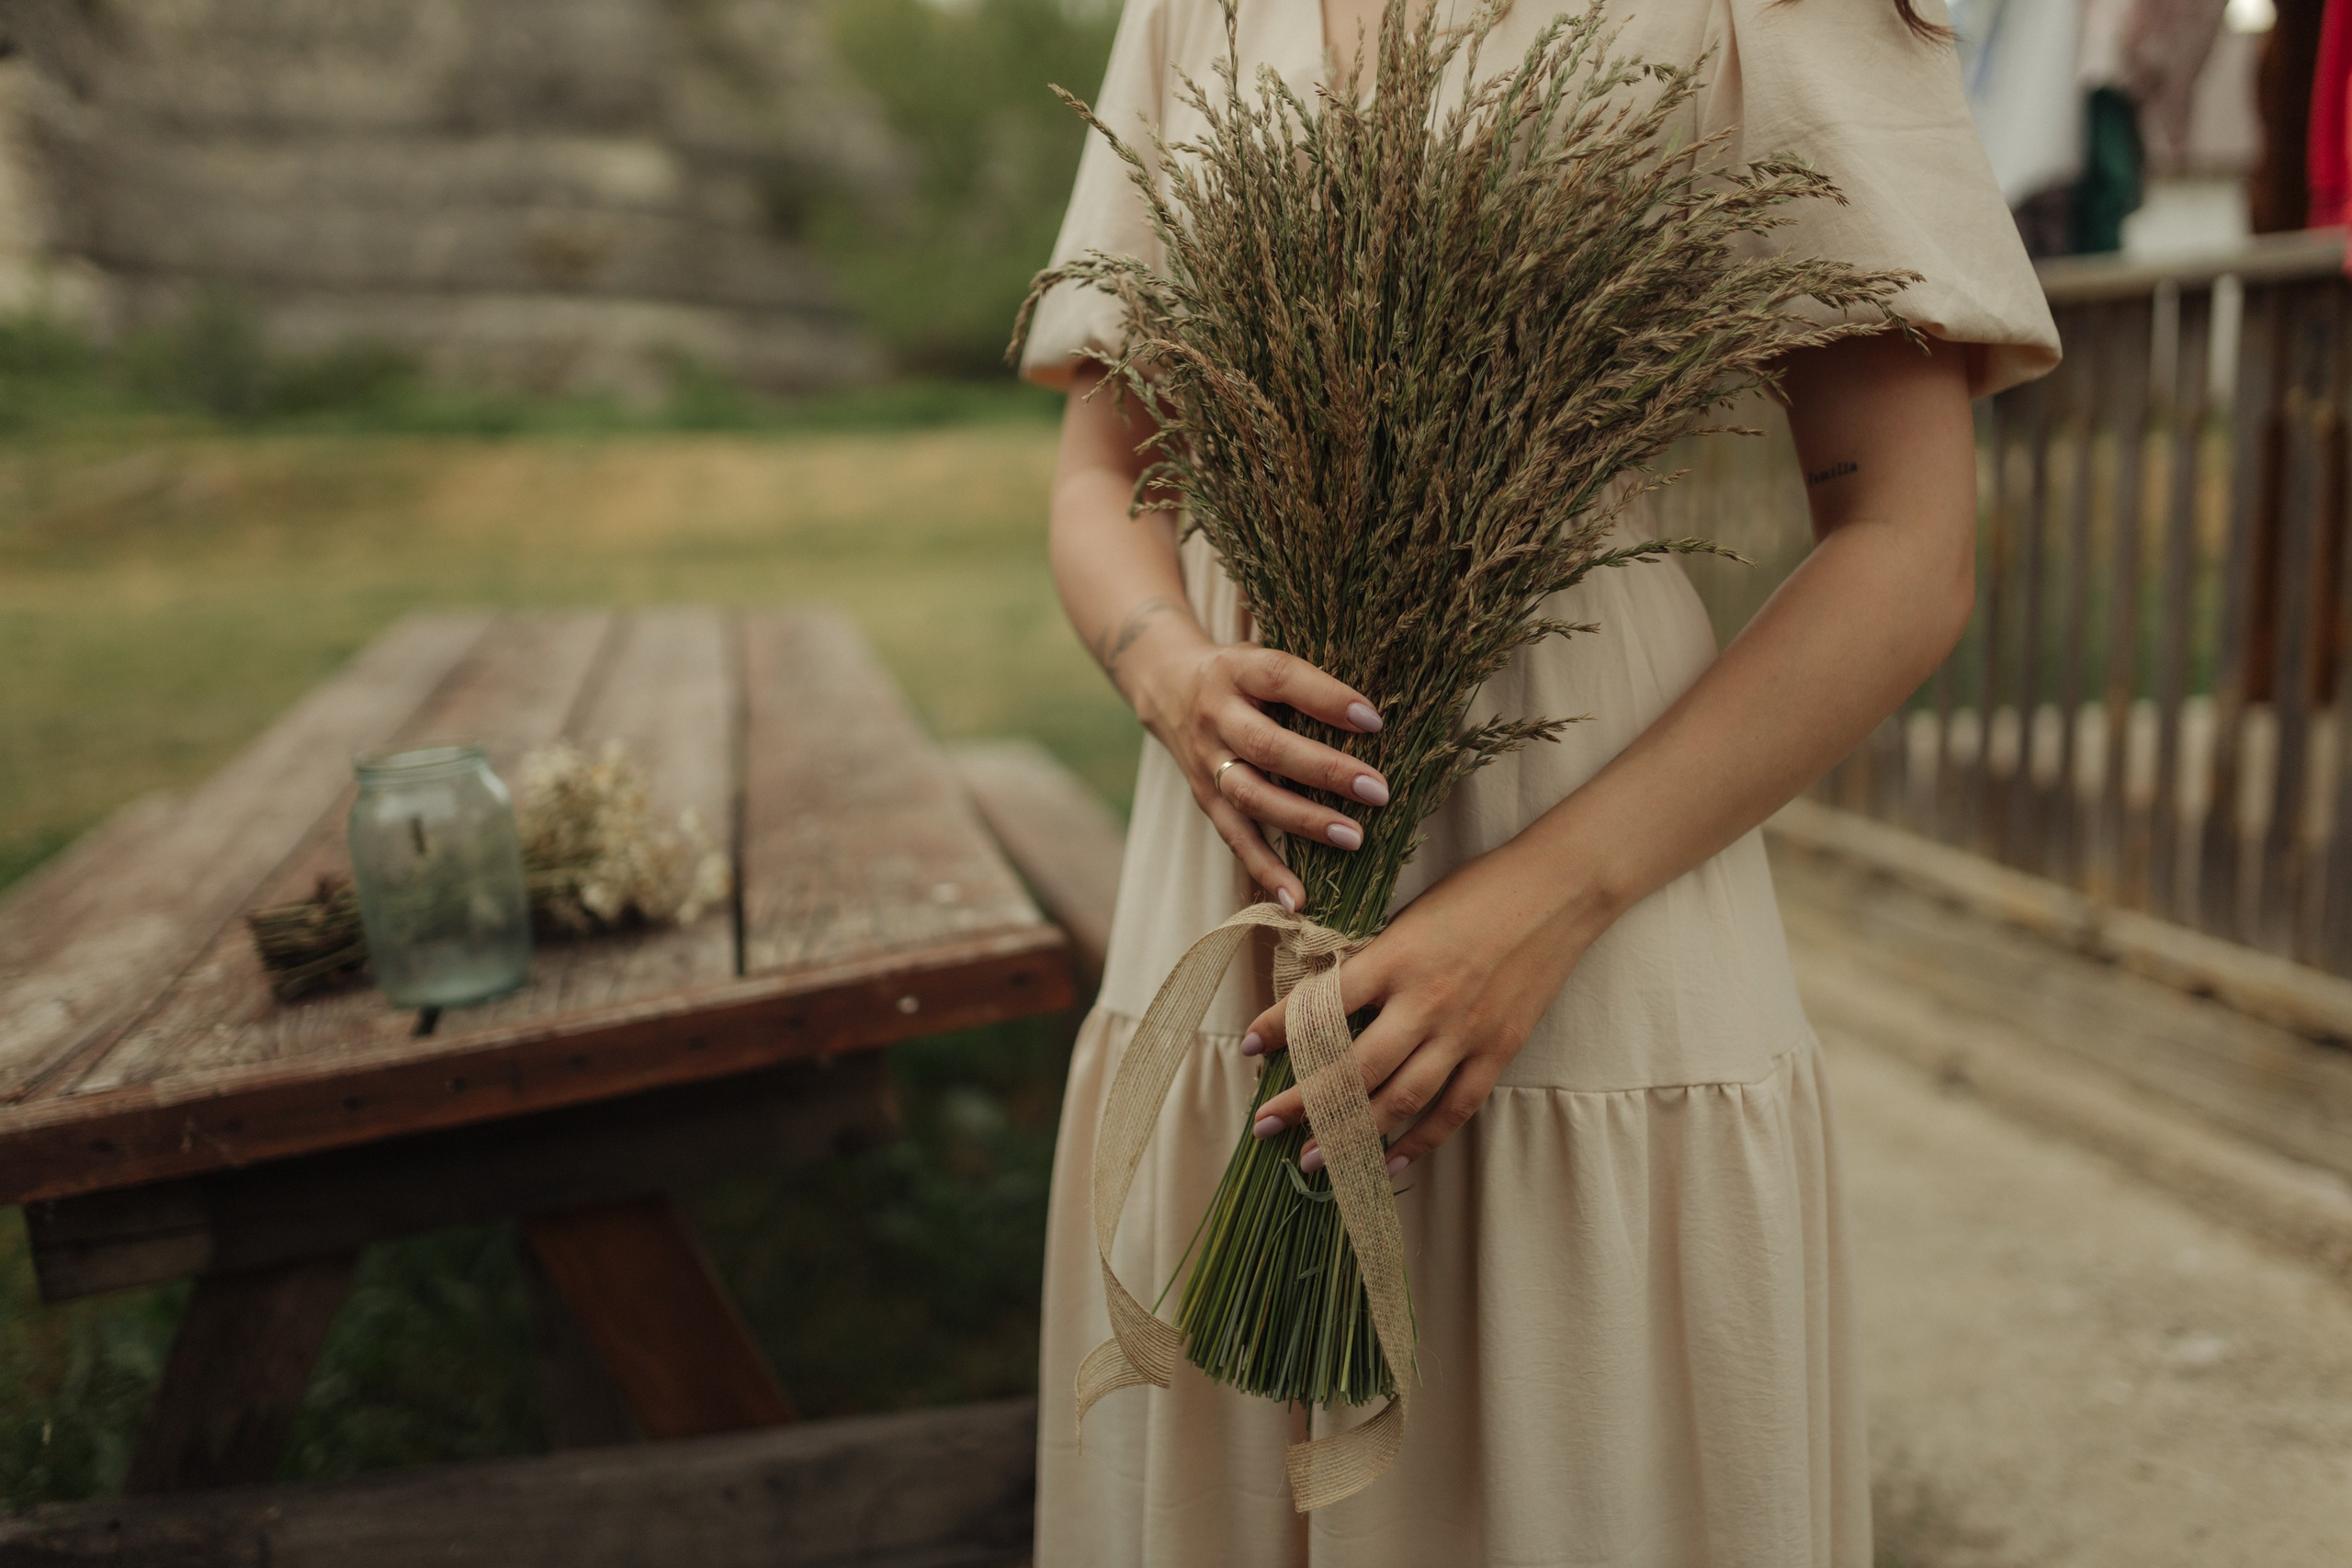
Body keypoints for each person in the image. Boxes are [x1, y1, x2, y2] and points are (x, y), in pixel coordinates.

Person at [1017, 1, 2058, 1562]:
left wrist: (1541, 911)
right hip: (1227, 894)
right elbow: (1105, 473)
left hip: (1589, 916)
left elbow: (1906, 548)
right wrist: (1172, 672)